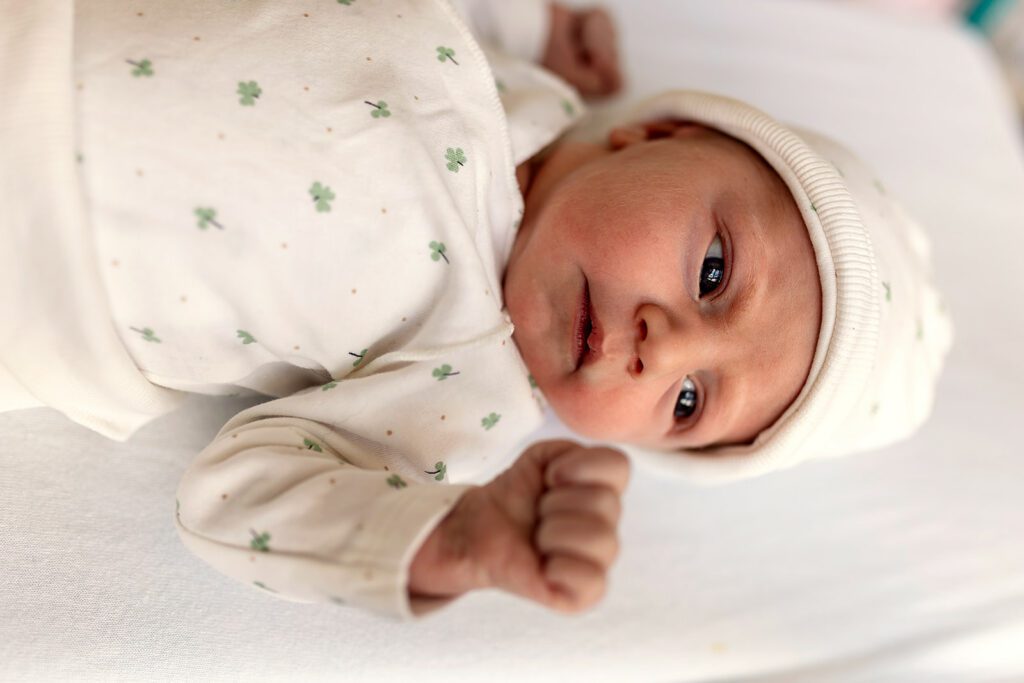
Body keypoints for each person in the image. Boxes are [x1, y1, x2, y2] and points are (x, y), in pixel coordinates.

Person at [0, 0, 951, 620]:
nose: (664, 352)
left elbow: (234, 496)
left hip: (33, 275)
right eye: (712, 273)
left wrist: (453, 536)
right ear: (659, 131)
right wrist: (545, 25)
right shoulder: (514, 79)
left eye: (690, 404)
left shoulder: (468, 391)